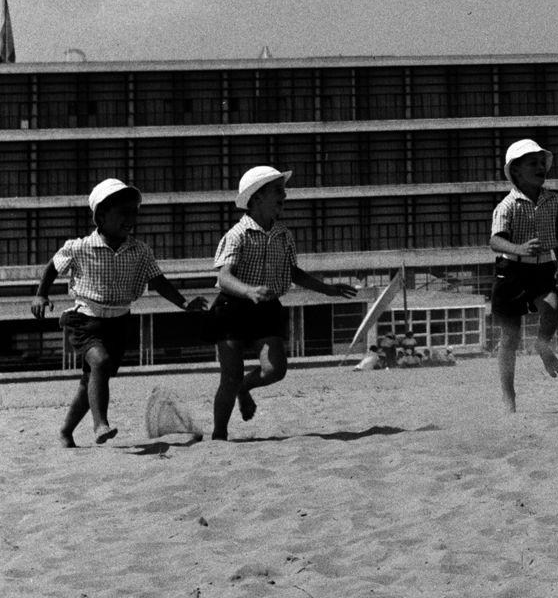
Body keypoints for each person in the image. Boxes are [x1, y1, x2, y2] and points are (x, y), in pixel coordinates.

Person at [30, 179, 203, 447]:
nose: (131, 218)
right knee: (100, 363)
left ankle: (66, 430)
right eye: (123, 212)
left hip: (119, 322)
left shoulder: (140, 251)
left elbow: (158, 281)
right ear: (101, 215)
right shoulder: (79, 246)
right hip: (85, 319)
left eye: (134, 212)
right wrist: (41, 293)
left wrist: (183, 303)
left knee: (90, 381)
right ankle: (100, 425)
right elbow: (53, 266)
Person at [210, 166, 355, 439]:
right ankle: (219, 435)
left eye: (283, 190)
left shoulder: (284, 235)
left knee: (275, 370)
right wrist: (248, 291)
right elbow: (224, 277)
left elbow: (292, 272)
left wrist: (326, 289)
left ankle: (244, 388)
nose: (284, 195)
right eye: (277, 191)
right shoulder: (237, 235)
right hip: (232, 308)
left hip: (267, 308)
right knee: (230, 376)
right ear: (256, 198)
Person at [490, 138, 558, 411]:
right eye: (532, 163)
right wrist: (519, 247)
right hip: (511, 270)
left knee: (552, 306)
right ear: (515, 170)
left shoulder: (554, 200)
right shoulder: (507, 205)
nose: (540, 167)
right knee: (509, 338)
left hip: (542, 267)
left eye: (542, 162)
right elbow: (495, 242)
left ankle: (542, 345)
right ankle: (508, 395)